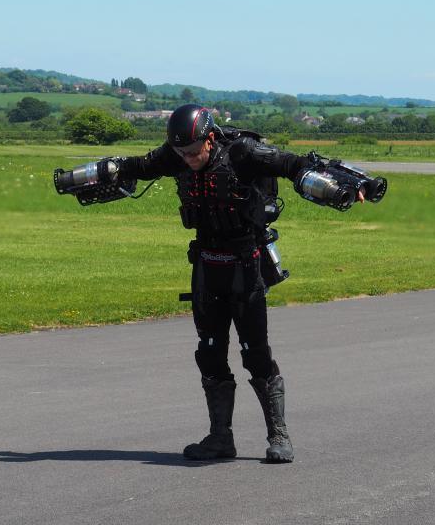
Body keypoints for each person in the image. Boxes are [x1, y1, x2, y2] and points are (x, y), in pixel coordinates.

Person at [55, 104, 385, 463]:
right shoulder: (176, 157)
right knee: (209, 353)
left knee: (255, 353)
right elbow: (135, 166)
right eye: (182, 153)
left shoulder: (244, 152)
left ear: (210, 139)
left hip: (246, 265)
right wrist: (96, 175)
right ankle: (219, 438)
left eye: (195, 151)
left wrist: (348, 185)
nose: (189, 158)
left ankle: (279, 435)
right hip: (206, 267)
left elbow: (293, 165)